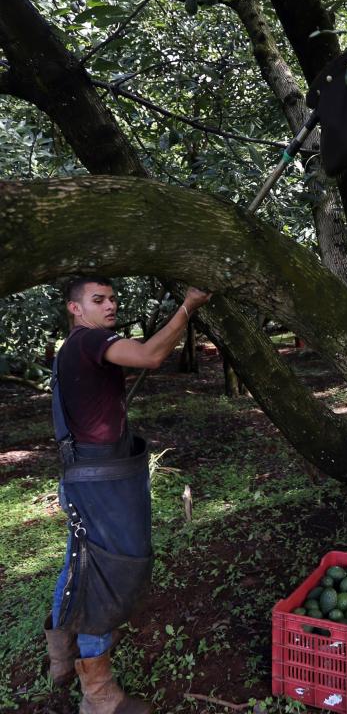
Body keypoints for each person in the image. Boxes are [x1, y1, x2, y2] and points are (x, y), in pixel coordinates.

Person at [44, 276, 211, 713]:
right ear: (74, 309)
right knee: (107, 574)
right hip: (100, 484)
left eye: (113, 299)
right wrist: (188, 307)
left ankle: (63, 657)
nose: (110, 306)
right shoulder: (87, 341)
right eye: (98, 300)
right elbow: (152, 356)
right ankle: (99, 697)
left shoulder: (75, 350)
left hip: (86, 478)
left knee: (80, 559)